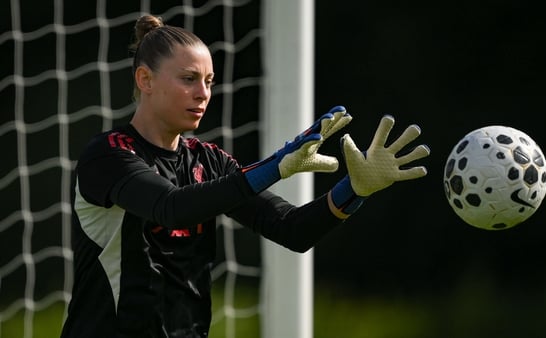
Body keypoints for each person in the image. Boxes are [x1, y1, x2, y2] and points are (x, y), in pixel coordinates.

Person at [60, 14, 430, 338]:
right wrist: (275, 166)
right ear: (145, 79)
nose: (203, 93)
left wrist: (356, 188)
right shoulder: (109, 154)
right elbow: (170, 207)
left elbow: (293, 230)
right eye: (189, 79)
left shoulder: (208, 160)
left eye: (209, 81)